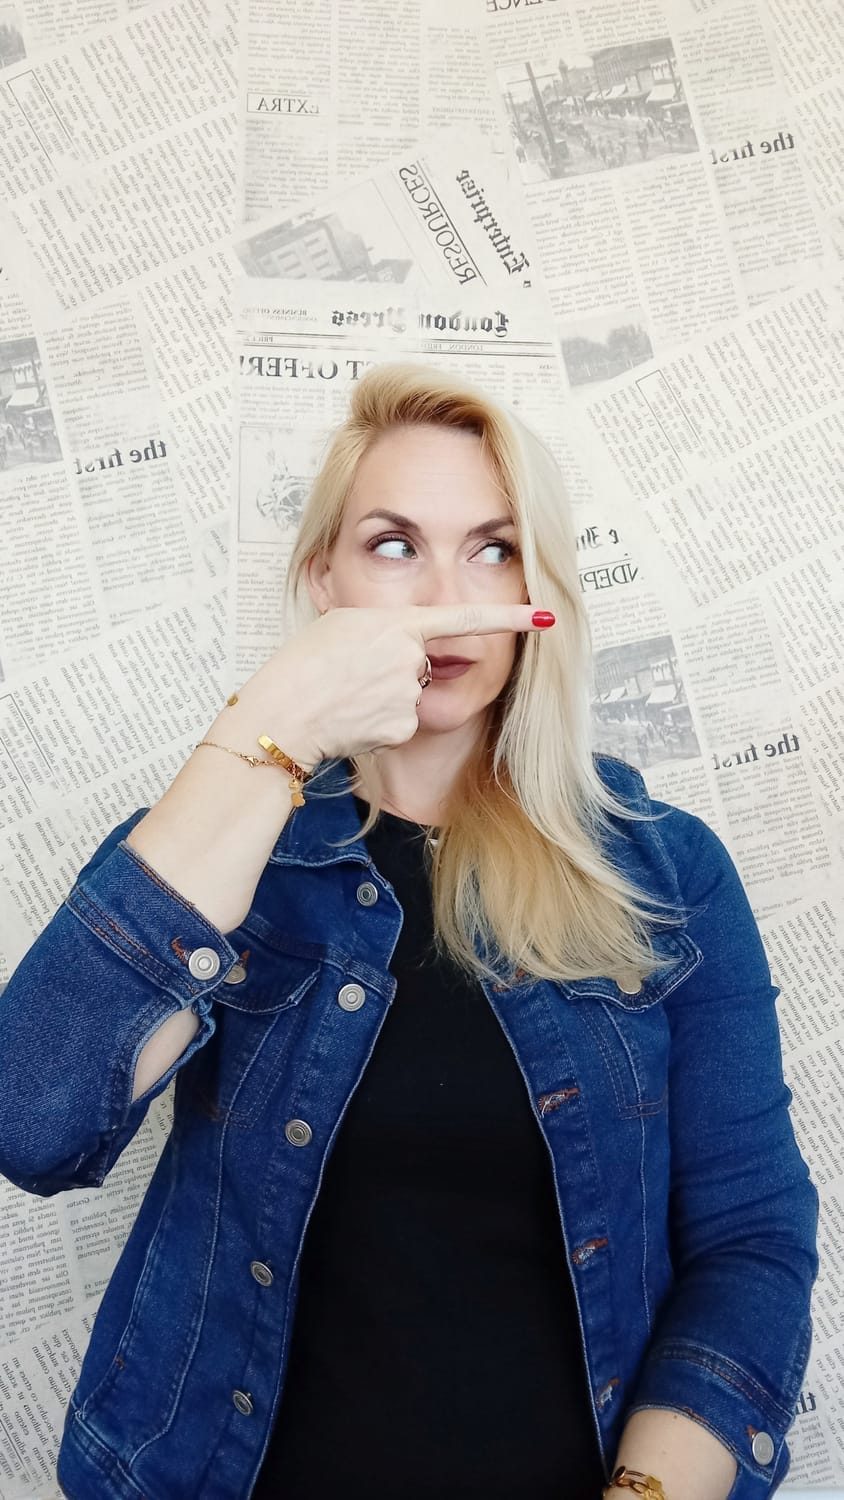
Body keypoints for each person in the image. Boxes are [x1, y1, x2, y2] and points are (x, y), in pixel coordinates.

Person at [0, 364, 818, 1500]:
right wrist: (278, 718)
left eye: (493, 549)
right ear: (322, 578)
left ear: (538, 584)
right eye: (394, 546)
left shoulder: (665, 871)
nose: (446, 599)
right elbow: (31, 1122)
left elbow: (750, 1241)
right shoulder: (218, 848)